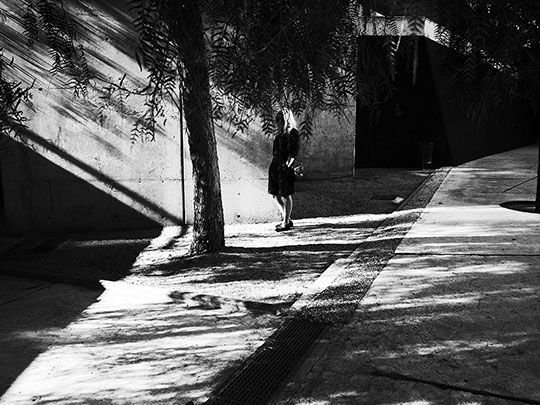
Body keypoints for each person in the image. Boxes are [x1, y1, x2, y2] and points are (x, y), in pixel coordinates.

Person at [268, 108, 300, 232]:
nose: (277, 122)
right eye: (276, 119)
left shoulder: (293, 133)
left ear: (285, 119)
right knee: (275, 194)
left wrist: (287, 166)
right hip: (275, 165)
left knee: (286, 194)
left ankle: (285, 222)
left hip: (285, 166)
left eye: (279, 119)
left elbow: (293, 153)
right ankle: (287, 218)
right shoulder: (279, 133)